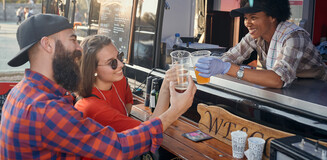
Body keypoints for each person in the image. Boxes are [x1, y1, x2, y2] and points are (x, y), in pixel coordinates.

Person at [0, 14, 197, 159]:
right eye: (73, 39)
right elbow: (119, 147)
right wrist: (176, 109)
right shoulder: (46, 109)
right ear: (48, 44)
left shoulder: (19, 93)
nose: (79, 48)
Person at [195, 0, 327, 88]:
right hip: (292, 87)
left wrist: (227, 68)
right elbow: (231, 56)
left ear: (272, 16)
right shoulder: (255, 36)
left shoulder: (294, 36)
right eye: (246, 18)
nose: (248, 23)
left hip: (318, 89)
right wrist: (214, 63)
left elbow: (277, 80)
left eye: (254, 17)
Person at [75, 35, 179, 160]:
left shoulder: (118, 80)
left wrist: (122, 123)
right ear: (93, 70)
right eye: (112, 63)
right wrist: (167, 88)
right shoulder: (92, 107)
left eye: (119, 57)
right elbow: (150, 130)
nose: (121, 64)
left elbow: (128, 104)